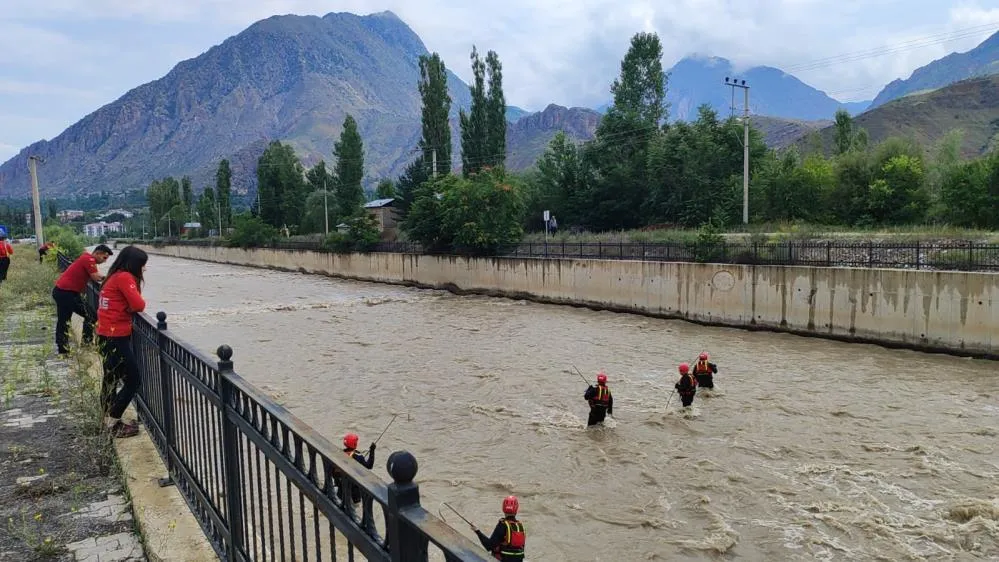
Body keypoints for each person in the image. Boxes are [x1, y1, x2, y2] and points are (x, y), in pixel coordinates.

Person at [96, 246, 148, 439]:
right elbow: (139, 305)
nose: (144, 269)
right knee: (134, 380)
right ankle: (112, 421)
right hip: (116, 335)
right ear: (134, 264)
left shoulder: (113, 275)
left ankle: (107, 420)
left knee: (110, 378)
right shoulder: (125, 277)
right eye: (143, 265)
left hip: (105, 333)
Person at [52, 244, 113, 354]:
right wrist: (110, 278)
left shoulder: (86, 258)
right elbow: (95, 276)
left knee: (64, 320)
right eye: (104, 257)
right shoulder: (89, 259)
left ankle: (63, 348)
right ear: (97, 253)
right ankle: (86, 343)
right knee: (91, 315)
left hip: (63, 291)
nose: (104, 261)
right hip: (66, 293)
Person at [338, 433, 376, 529]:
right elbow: (369, 466)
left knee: (341, 508)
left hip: (341, 488)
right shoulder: (358, 456)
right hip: (355, 491)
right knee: (355, 513)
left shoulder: (339, 454)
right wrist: (372, 451)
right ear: (354, 444)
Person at [471, 495, 526, 561]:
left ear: (503, 508)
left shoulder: (502, 525)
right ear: (516, 509)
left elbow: (489, 546)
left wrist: (477, 531)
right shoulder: (520, 526)